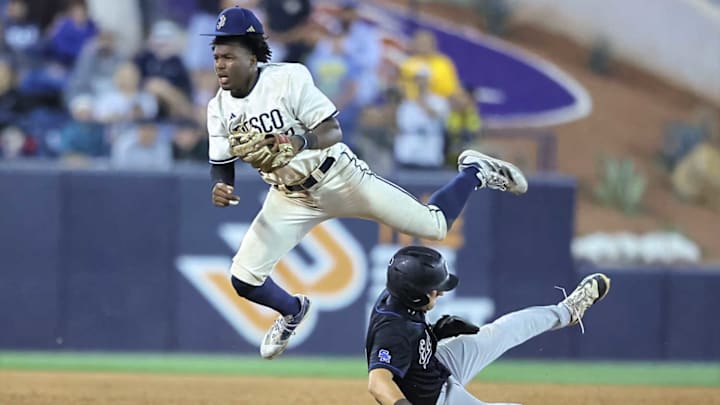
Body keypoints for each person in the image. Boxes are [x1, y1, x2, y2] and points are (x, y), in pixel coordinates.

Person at [203, 7, 528, 360]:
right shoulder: (218, 108)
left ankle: (474, 171)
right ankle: (292, 310)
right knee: (243, 278)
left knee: (433, 227)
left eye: (229, 56)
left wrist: (297, 142)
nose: (220, 64)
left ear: (252, 57)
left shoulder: (287, 79)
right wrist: (222, 186)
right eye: (217, 56)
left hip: (338, 176)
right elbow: (221, 163)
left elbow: (331, 130)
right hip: (289, 198)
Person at [365, 246, 611, 405]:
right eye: (435, 289)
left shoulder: (400, 295)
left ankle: (568, 311)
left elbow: (409, 340)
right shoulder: (392, 331)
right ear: (415, 294)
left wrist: (435, 333)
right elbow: (378, 383)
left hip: (434, 364)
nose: (440, 292)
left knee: (502, 330)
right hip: (432, 399)